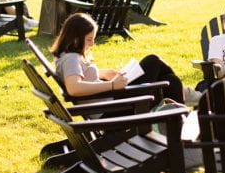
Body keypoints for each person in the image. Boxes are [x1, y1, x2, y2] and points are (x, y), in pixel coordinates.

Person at [50, 12, 195, 105]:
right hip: (113, 106)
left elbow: (81, 76)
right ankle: (187, 98)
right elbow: (74, 88)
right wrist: (112, 85)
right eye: (89, 40)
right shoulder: (71, 59)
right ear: (75, 39)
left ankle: (183, 102)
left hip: (112, 99)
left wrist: (103, 74)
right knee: (153, 61)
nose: (92, 44)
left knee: (171, 81)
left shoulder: (67, 56)